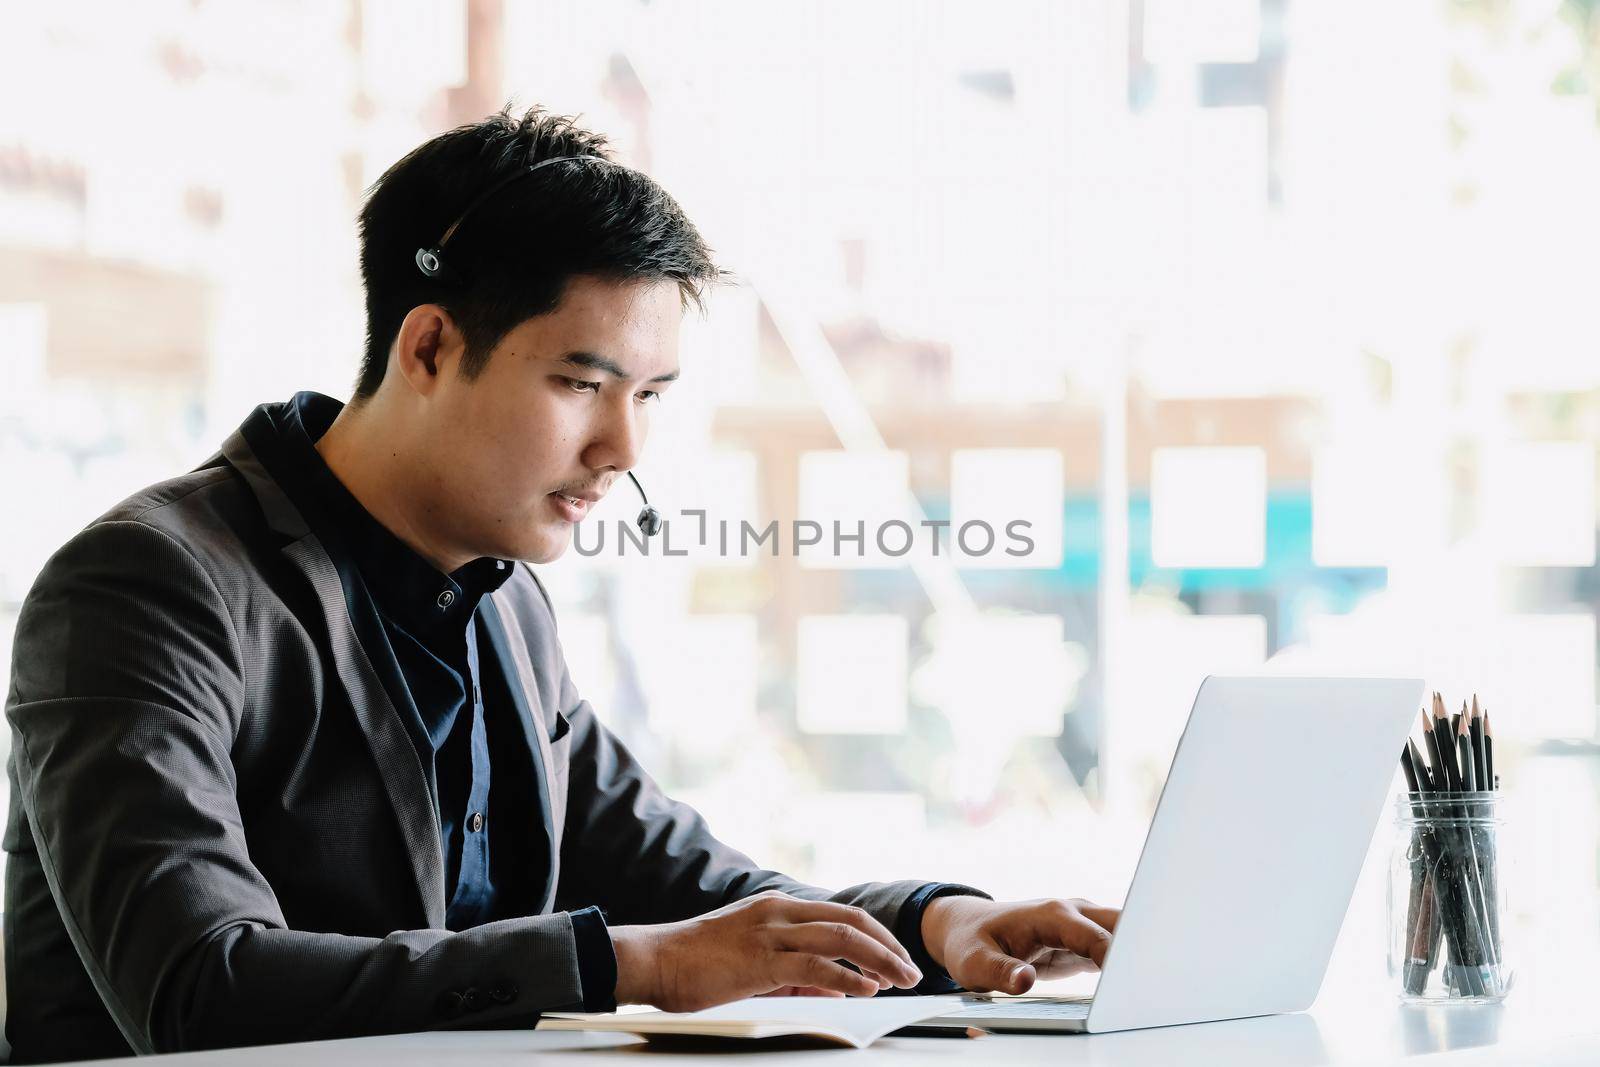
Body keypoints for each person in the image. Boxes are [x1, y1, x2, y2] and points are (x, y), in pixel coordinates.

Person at [3, 106, 1119, 1063]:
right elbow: (197, 986)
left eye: (652, 394)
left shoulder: (502, 599)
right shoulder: (147, 585)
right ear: (429, 346)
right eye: (583, 382)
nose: (623, 446)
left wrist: (941, 925)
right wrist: (621, 964)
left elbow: (689, 887)